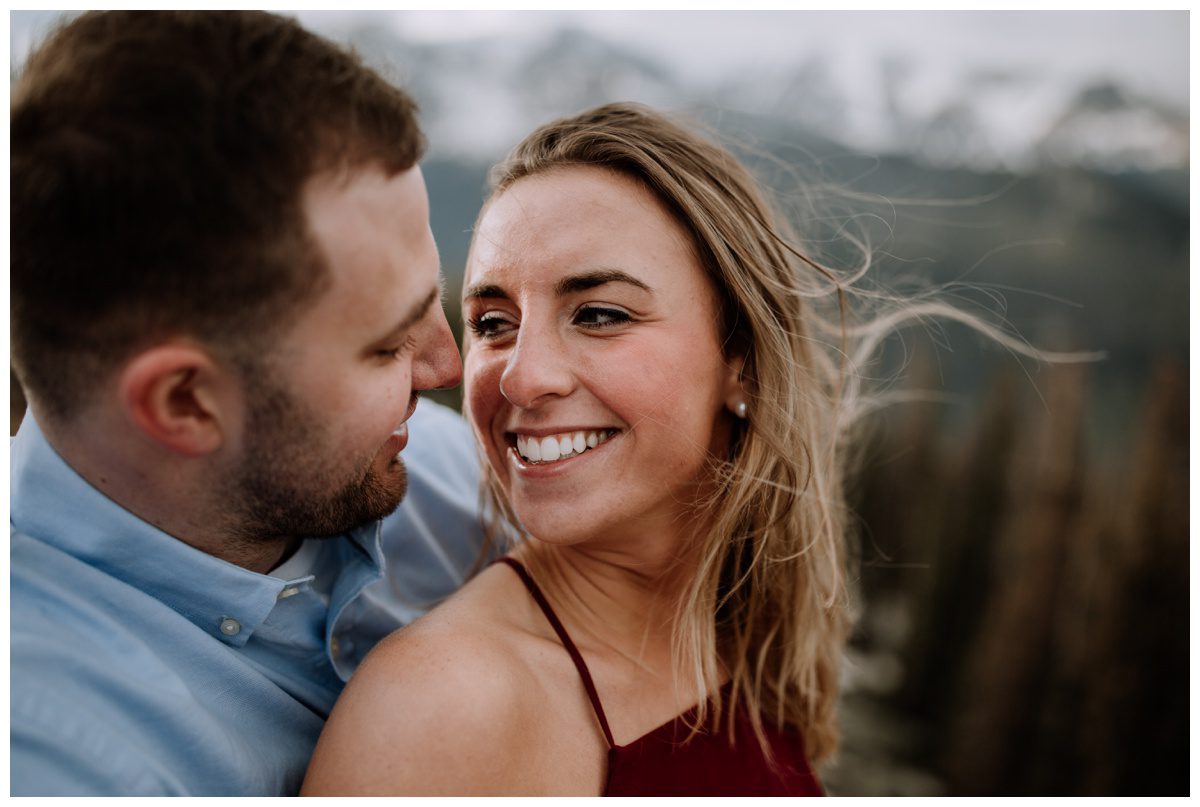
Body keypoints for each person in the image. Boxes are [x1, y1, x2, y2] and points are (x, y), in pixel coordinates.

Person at [303, 102, 869, 796]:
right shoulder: (445, 707)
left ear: (741, 360)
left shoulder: (747, 640)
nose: (522, 375)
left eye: (599, 314)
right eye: (493, 322)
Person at [10, 11, 486, 796]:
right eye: (387, 344)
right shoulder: (56, 756)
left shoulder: (428, 471)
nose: (447, 365)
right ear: (187, 403)